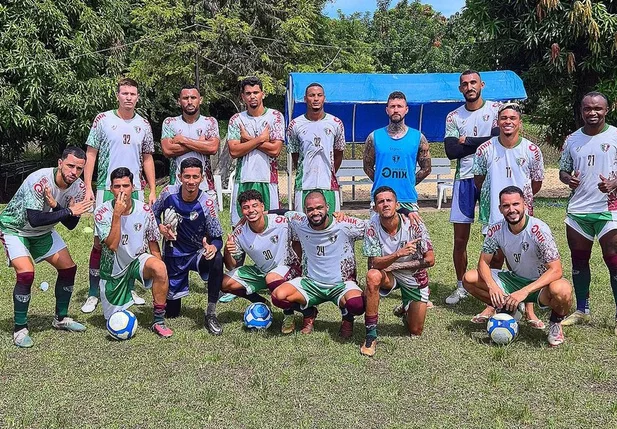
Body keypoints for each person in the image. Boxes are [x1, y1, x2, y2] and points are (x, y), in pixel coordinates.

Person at [0, 147, 92, 347]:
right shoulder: (40, 180)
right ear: (60, 163)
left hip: (43, 231)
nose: (73, 172)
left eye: (79, 168)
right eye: (70, 166)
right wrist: (67, 210)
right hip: (15, 229)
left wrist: (60, 208)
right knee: (26, 273)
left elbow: (71, 224)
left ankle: (60, 318)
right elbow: (34, 219)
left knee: (69, 268)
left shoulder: (79, 188)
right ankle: (20, 328)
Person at [462, 186, 572, 347]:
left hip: (540, 285)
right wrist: (492, 287)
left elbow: (556, 270)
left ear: (525, 205)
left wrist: (524, 292)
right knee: (469, 279)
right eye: (506, 206)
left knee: (563, 290)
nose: (511, 210)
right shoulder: (496, 229)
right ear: (500, 209)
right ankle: (508, 308)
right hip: (513, 280)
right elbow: (483, 262)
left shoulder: (539, 230)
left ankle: (555, 323)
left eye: (515, 204)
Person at [82, 78, 155, 313]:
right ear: (117, 96)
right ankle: (94, 292)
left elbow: (147, 158)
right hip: (107, 188)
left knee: (133, 242)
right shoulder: (103, 120)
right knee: (100, 242)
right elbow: (91, 154)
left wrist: (152, 189)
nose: (129, 97)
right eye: (124, 93)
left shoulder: (143, 124)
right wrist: (88, 187)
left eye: (133, 94)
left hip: (134, 191)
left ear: (138, 97)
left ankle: (128, 287)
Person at [471, 103, 545, 325]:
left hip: (521, 217)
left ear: (519, 122)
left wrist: (520, 205)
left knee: (525, 261)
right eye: (503, 118)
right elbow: (479, 180)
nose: (508, 122)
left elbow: (537, 182)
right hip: (493, 213)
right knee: (493, 259)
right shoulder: (484, 149)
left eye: (513, 118)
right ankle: (492, 305)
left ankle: (528, 309)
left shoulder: (532, 150)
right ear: (497, 122)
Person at [558, 91, 617, 331]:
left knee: (613, 262)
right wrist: (568, 179)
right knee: (579, 262)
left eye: (598, 109)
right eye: (587, 109)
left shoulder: (615, 136)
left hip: (609, 209)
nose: (592, 113)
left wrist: (614, 183)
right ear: (581, 111)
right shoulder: (572, 139)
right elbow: (563, 170)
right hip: (578, 211)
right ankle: (582, 310)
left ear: (607, 110)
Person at [271, 191, 366, 337]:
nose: (315, 212)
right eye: (310, 209)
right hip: (311, 283)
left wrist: (404, 212)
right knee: (278, 296)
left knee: (357, 305)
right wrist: (261, 212)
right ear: (304, 211)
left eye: (319, 208)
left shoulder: (345, 224)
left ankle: (347, 317)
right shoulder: (300, 221)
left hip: (341, 284)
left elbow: (375, 227)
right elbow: (284, 212)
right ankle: (308, 312)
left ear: (328, 207)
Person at [94, 167, 173, 337]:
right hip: (114, 268)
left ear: (133, 187)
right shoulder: (101, 213)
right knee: (113, 320)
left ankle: (158, 321)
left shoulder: (144, 210)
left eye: (125, 186)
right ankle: (118, 298)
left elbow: (153, 242)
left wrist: (160, 271)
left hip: (138, 260)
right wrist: (117, 215)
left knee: (159, 267)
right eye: (117, 186)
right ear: (111, 189)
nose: (121, 191)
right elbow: (112, 245)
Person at [443, 70, 500, 305]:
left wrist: (467, 141)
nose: (469, 87)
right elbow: (451, 151)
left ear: (482, 85)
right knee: (460, 240)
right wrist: (484, 141)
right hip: (463, 179)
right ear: (460, 89)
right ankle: (460, 286)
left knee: (494, 236)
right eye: (465, 84)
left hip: (489, 178)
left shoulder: (496, 110)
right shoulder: (453, 116)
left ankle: (492, 284)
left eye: (473, 82)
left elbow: (498, 140)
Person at [221, 189, 312, 334]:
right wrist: (227, 249)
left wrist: (303, 266)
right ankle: (261, 301)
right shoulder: (239, 232)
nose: (251, 210)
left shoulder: (281, 222)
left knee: (272, 278)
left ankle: (290, 314)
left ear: (263, 207)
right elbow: (231, 265)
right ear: (242, 211)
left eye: (255, 206)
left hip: (287, 267)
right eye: (246, 207)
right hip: (262, 271)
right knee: (224, 283)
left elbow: (303, 226)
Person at [152, 157, 224, 335]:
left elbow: (217, 238)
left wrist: (213, 247)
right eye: (187, 176)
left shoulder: (207, 202)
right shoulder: (168, 192)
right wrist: (159, 227)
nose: (191, 181)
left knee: (217, 258)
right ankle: (173, 298)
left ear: (201, 178)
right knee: (173, 312)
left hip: (197, 253)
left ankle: (211, 312)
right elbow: (150, 216)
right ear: (179, 176)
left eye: (195, 177)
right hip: (174, 255)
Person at [360, 186, 435, 357]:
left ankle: (406, 306)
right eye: (380, 201)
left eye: (389, 201)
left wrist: (396, 265)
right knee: (372, 276)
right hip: (389, 275)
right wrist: (398, 254)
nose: (385, 204)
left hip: (414, 276)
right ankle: (371, 336)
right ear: (375, 207)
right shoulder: (372, 226)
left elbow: (430, 260)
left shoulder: (414, 223)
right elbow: (373, 263)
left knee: (415, 331)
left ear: (397, 204)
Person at [362, 91, 431, 218]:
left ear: (406, 109)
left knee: (410, 237)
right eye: (392, 106)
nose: (396, 110)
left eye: (399, 106)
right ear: (387, 110)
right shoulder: (374, 137)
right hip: (380, 199)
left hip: (407, 200)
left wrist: (409, 182)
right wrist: (382, 182)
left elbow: (426, 168)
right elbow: (367, 167)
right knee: (377, 237)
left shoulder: (418, 137)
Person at [227, 76, 284, 225]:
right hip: (243, 179)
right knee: (240, 225)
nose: (252, 96)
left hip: (268, 180)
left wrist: (247, 139)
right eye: (248, 93)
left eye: (256, 92)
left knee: (271, 224)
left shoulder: (275, 117)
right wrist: (259, 139)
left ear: (263, 94)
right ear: (243, 97)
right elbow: (234, 151)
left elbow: (275, 150)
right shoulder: (236, 119)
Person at [287, 82, 345, 213]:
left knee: (331, 225)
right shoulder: (295, 125)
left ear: (324, 98)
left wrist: (328, 172)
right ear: (305, 99)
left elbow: (339, 153)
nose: (316, 99)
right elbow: (295, 154)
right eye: (312, 95)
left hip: (328, 185)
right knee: (302, 225)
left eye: (319, 95)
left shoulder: (336, 123)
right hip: (304, 185)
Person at [161, 84, 220, 193]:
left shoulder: (210, 122)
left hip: (205, 187)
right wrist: (201, 144)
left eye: (193, 98)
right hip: (177, 186)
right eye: (185, 98)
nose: (189, 102)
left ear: (200, 100)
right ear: (179, 101)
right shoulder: (170, 123)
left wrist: (183, 140)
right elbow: (168, 150)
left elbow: (213, 148)